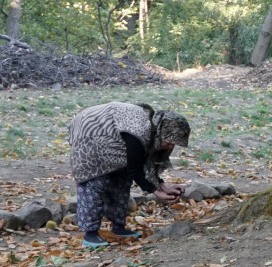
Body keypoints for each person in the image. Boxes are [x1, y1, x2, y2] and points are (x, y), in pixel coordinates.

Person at [68, 101, 188, 248]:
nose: (171, 146)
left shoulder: (154, 130)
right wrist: (156, 192)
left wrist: (163, 186)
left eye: (174, 143)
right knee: (95, 184)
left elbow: (145, 163)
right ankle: (90, 234)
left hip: (113, 142)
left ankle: (118, 227)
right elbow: (136, 168)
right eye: (169, 141)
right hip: (90, 135)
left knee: (122, 182)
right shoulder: (139, 132)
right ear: (162, 132)